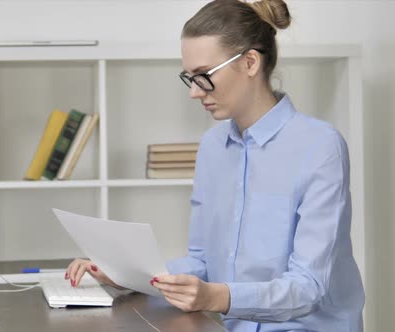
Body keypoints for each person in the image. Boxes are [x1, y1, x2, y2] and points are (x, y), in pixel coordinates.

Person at [66, 0, 365, 330]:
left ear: (250, 62)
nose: (195, 92)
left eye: (203, 76)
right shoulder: (212, 147)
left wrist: (216, 298)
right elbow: (201, 262)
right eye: (189, 78)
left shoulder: (320, 146)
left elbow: (308, 288)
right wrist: (128, 275)